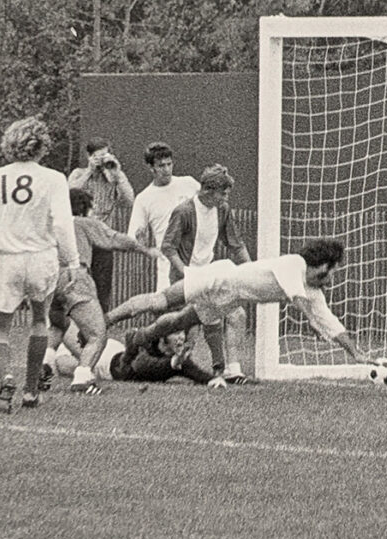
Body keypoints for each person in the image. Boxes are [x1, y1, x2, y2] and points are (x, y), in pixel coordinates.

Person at [106, 238, 374, 386]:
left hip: (230, 300)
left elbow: (331, 324)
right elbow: (297, 298)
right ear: (323, 264)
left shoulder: (313, 292)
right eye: (334, 268)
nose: (334, 275)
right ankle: (108, 319)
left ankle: (138, 337)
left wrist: (357, 354)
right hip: (218, 277)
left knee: (179, 320)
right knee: (160, 301)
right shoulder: (296, 264)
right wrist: (311, 322)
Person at [0, 116, 81, 413]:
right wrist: (73, 262)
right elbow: (62, 225)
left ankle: (6, 379)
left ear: (10, 145)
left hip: (6, 259)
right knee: (39, 321)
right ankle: (31, 391)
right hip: (41, 258)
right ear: (42, 146)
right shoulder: (55, 178)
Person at [44, 188, 162, 394]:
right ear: (85, 207)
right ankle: (82, 377)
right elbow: (115, 239)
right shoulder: (83, 223)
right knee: (97, 335)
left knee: (58, 325)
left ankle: (45, 361)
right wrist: (146, 250)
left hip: (49, 280)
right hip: (75, 278)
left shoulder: (51, 225)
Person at [160, 163, 252, 382]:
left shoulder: (223, 210)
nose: (226, 198)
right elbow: (168, 247)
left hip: (209, 275)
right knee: (186, 329)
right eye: (224, 193)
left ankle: (230, 369)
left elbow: (235, 244)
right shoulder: (184, 211)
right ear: (208, 191)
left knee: (235, 314)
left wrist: (251, 270)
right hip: (185, 278)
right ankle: (167, 358)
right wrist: (186, 273)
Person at [67, 137, 135, 311]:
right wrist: (89, 170)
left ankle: (101, 323)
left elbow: (129, 200)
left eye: (105, 156)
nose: (101, 161)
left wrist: (117, 173)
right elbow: (68, 194)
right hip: (80, 239)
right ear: (89, 156)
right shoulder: (78, 173)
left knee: (102, 287)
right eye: (97, 157)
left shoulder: (113, 177)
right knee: (77, 285)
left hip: (102, 239)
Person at [127, 142, 201, 290]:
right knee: (169, 310)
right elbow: (133, 238)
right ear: (151, 168)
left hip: (198, 262)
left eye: (169, 164)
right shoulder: (144, 198)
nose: (167, 169)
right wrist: (147, 250)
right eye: (161, 166)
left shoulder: (189, 184)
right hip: (168, 267)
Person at [54, 328, 216, 385]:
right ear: (163, 338)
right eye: (175, 333)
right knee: (64, 365)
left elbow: (195, 372)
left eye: (182, 332)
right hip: (107, 363)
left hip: (112, 353)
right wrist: (173, 364)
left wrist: (213, 379)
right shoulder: (147, 344)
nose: (181, 337)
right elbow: (140, 365)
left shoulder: (180, 359)